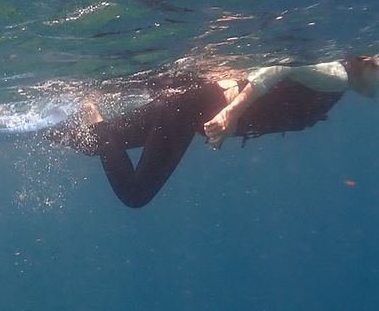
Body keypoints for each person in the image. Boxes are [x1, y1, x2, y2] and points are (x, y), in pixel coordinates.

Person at [48, 56, 378, 208]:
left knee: (93, 144)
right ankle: (89, 118)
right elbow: (276, 68)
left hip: (186, 104)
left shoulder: (336, 87)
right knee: (135, 195)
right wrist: (231, 114)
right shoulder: (338, 76)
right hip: (187, 109)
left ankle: (50, 129)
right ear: (369, 61)